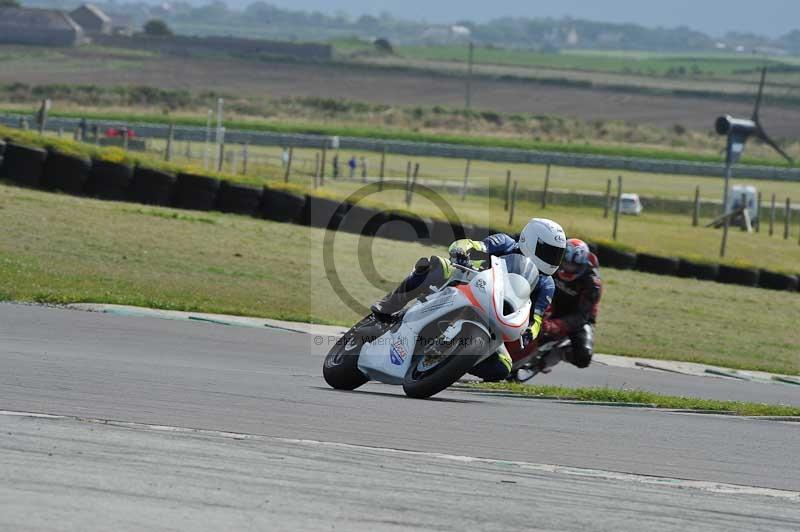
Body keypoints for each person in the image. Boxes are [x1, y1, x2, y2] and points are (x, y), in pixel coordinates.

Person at [371, 218, 567, 382]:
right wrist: (462, 251)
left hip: (494, 318)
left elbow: (538, 318)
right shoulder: (505, 243)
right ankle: (390, 304)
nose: (552, 259)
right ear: (531, 240)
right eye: (549, 251)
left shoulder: (546, 283)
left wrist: (529, 332)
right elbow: (473, 245)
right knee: (436, 265)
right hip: (467, 283)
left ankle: (449, 364)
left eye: (557, 254)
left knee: (502, 368)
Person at [516, 238, 602, 380]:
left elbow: (582, 316)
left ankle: (554, 356)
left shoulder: (592, 284)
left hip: (578, 316)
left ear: (582, 265)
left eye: (573, 266)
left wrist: (554, 325)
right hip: (552, 302)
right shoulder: (552, 265)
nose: (568, 268)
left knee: (583, 356)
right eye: (566, 263)